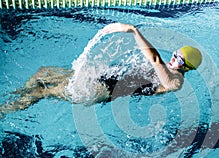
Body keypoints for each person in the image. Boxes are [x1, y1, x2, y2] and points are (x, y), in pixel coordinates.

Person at [0, 23, 202, 118]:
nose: (173, 58)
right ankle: (16, 97)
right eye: (175, 54)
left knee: (42, 91)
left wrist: (133, 31)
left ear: (186, 67)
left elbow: (155, 58)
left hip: (102, 91)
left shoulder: (176, 82)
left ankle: (4, 110)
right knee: (43, 73)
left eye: (179, 59)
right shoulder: (170, 68)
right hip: (101, 77)